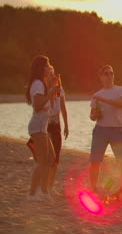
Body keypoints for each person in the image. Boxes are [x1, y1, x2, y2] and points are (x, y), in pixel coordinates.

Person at [89, 65, 122, 197]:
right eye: (106, 74)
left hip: (117, 130)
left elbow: (121, 104)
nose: (109, 76)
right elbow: (92, 115)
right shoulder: (96, 95)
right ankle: (94, 188)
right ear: (101, 77)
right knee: (95, 161)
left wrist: (103, 100)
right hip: (100, 130)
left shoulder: (121, 90)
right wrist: (94, 115)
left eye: (111, 73)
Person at [26, 55, 60, 201]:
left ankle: (42, 192)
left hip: (42, 127)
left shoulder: (43, 84)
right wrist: (50, 92)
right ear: (41, 68)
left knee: (51, 158)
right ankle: (34, 193)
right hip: (37, 126)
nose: (49, 67)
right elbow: (38, 105)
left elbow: (51, 106)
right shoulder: (37, 84)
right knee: (43, 161)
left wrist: (52, 87)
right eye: (47, 65)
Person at [47, 66, 69, 194]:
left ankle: (50, 187)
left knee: (55, 157)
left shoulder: (59, 89)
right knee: (46, 157)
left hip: (56, 125)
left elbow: (63, 108)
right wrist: (50, 90)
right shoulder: (43, 89)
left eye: (52, 73)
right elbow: (47, 105)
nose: (51, 75)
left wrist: (66, 125)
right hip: (45, 124)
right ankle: (44, 185)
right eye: (49, 73)